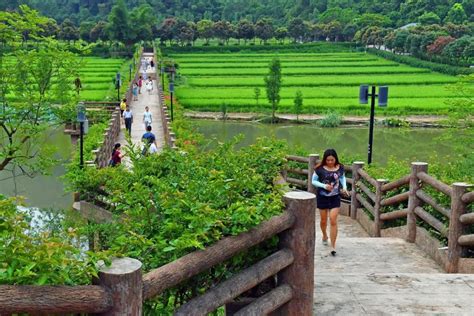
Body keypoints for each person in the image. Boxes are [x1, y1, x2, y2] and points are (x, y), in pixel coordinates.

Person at [312, 149, 348, 256]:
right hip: (322, 197)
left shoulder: (340, 167)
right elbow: (313, 181)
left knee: (333, 220)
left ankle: (333, 246)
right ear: (325, 159)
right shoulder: (319, 169)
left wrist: (345, 187)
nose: (330, 162)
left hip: (335, 197)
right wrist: (324, 186)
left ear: (335, 159)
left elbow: (342, 177)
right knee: (323, 221)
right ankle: (324, 235)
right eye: (328, 160)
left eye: (332, 160)